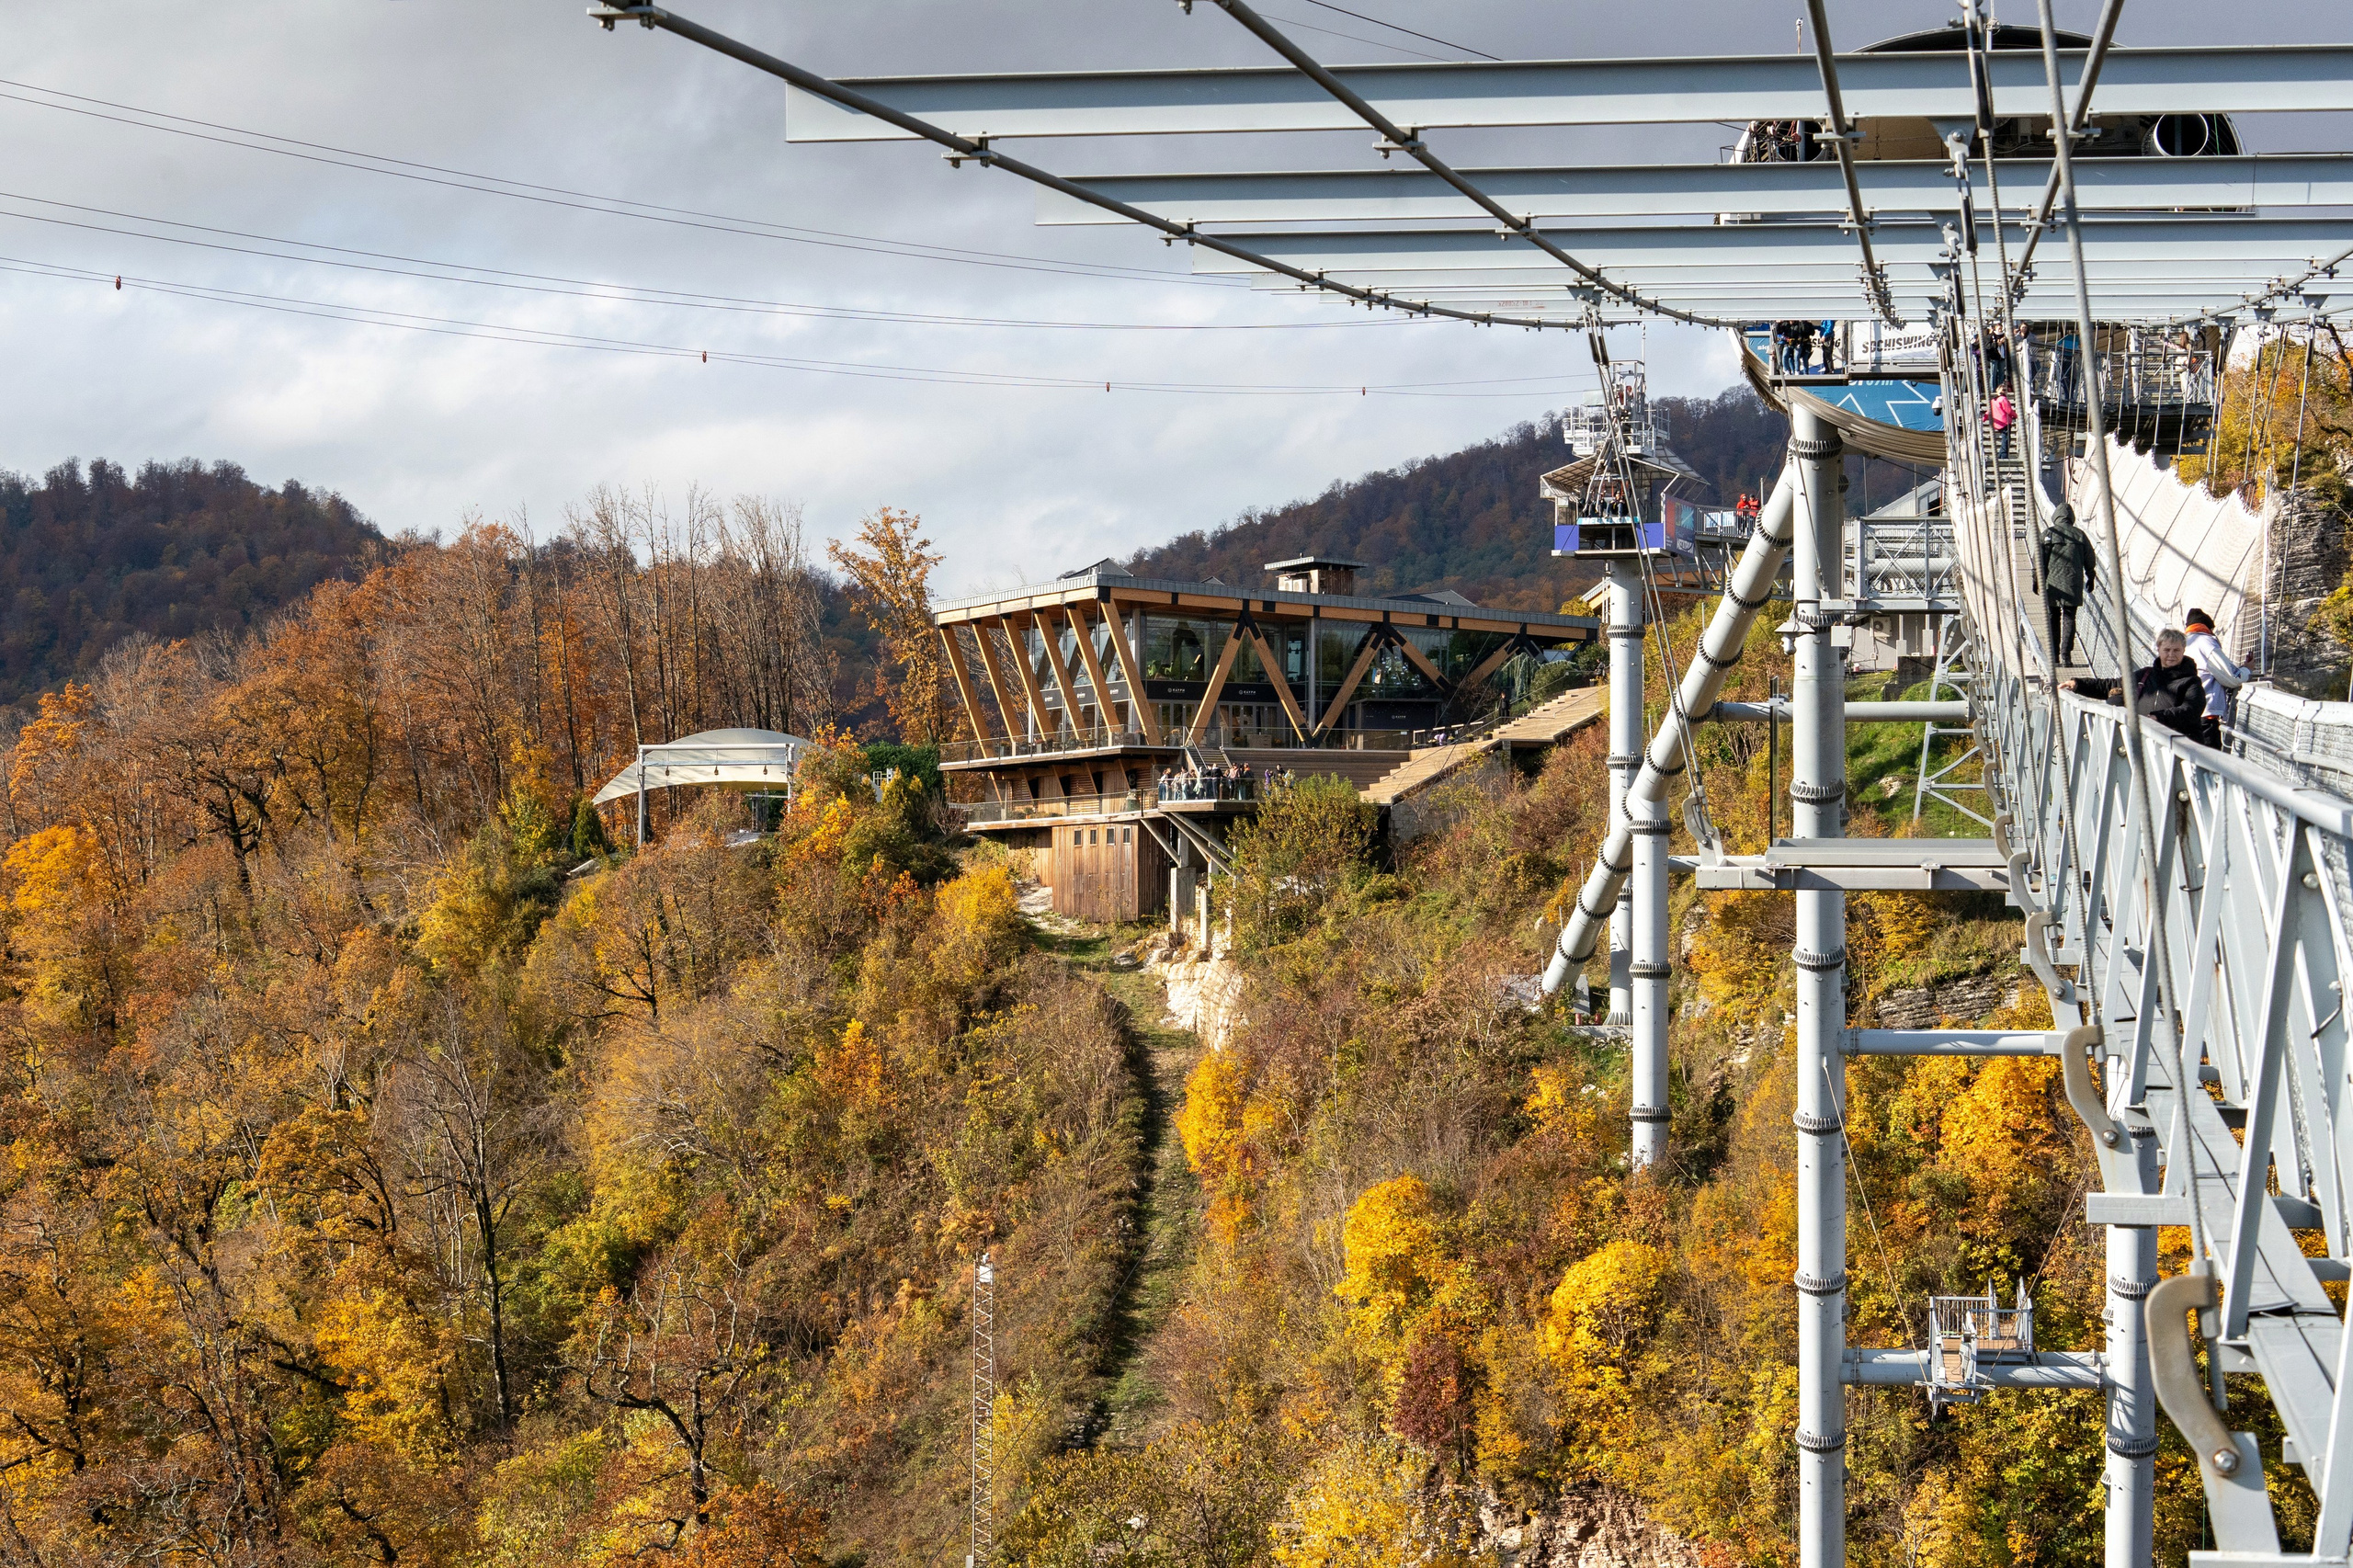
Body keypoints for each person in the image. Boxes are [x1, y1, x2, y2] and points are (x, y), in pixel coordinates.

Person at [2062, 629, 2207, 744]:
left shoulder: (2191, 682)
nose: (2171, 655)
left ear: (2183, 650)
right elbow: (2111, 685)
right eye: (2167, 650)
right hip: (2147, 741)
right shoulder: (2145, 675)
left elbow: (2191, 709)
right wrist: (2077, 684)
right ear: (2158, 649)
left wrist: (2159, 718)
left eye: (2176, 650)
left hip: (2177, 745)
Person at [2038, 502, 2097, 668]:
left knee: (2053, 618)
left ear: (2056, 517)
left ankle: (2054, 656)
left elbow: (2040, 560)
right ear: (2071, 518)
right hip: (2073, 583)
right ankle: (2066, 656)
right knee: (2070, 618)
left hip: (2052, 585)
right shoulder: (2079, 535)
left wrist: (2037, 579)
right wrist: (2090, 576)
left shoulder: (2048, 534)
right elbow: (2089, 558)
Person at [2182, 608, 2252, 751]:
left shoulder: (2182, 644)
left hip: (2184, 715)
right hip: (2205, 717)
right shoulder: (2205, 641)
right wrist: (2246, 669)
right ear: (2209, 627)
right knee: (2210, 767)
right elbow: (2231, 678)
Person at [1986, 388, 2017, 463]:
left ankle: (2000, 454)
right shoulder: (2003, 399)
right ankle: (2003, 455)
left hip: (1997, 423)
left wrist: (1984, 418)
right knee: (2006, 439)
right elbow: (2008, 410)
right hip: (2005, 421)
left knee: (2004, 438)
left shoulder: (1993, 400)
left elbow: (1989, 411)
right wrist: (2016, 415)